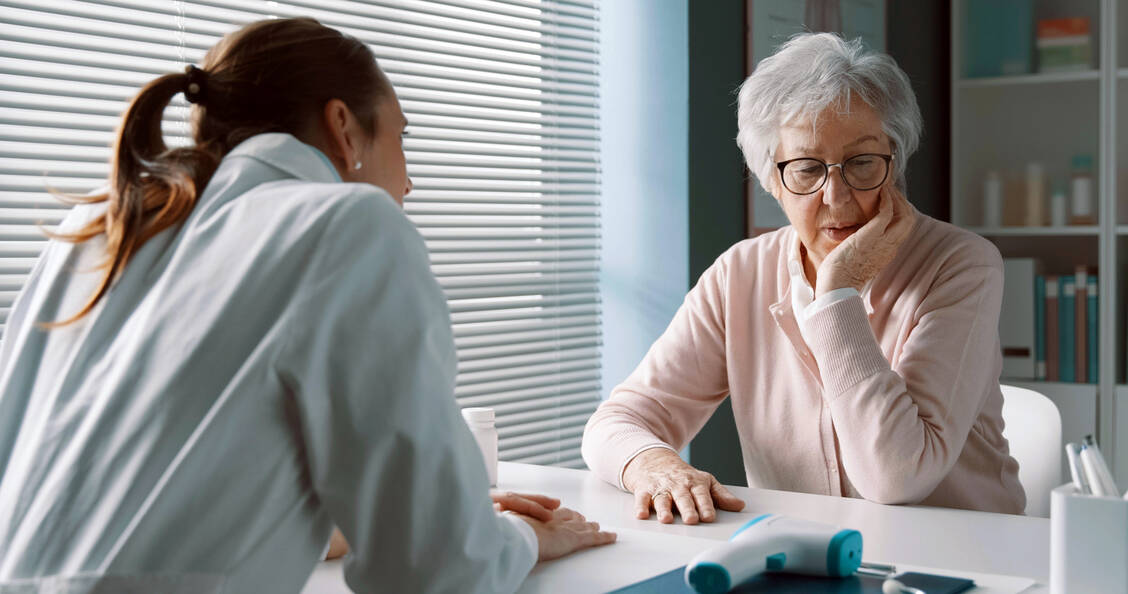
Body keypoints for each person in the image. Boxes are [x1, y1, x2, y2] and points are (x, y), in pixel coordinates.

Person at [0, 17, 613, 593]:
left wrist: (348, 525)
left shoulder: (101, 226)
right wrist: (522, 538)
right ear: (344, 128)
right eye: (401, 138)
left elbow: (176, 491)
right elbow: (434, 570)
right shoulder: (346, 226)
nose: (408, 181)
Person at [582, 32, 1025, 523]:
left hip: (965, 563)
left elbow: (896, 477)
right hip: (805, 558)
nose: (836, 196)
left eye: (860, 163)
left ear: (895, 162)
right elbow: (615, 422)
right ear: (772, 179)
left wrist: (836, 294)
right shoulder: (739, 274)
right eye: (807, 168)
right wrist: (652, 462)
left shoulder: (961, 264)